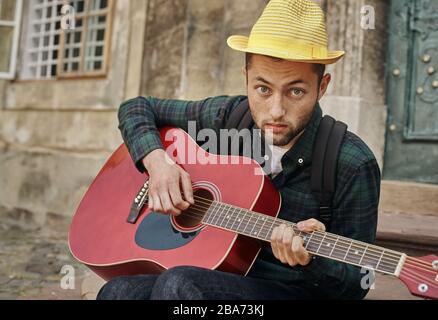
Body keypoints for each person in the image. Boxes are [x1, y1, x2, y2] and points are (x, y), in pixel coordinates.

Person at [97, 0, 381, 300]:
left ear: (322, 86)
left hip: (293, 291)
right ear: (246, 77)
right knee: (118, 292)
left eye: (296, 91)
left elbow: (357, 283)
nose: (276, 110)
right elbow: (136, 107)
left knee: (179, 285)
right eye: (263, 89)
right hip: (217, 271)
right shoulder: (229, 117)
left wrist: (312, 260)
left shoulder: (352, 162)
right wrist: (157, 162)